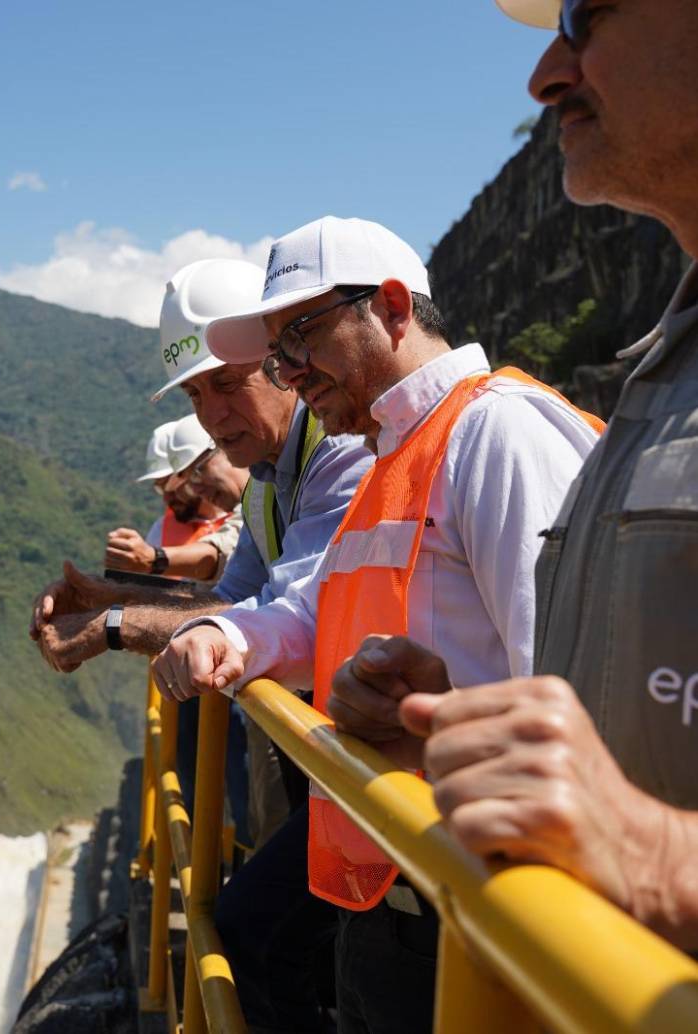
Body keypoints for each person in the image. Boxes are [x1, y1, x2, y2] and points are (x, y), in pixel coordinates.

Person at [153, 214, 602, 1032]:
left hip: (474, 901)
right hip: (397, 887)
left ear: (392, 307)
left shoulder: (496, 431)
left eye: (301, 337)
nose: (289, 371)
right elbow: (318, 607)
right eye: (279, 353)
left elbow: (567, 683)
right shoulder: (394, 457)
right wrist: (230, 637)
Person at [337, 0, 698, 956]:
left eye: (594, 11)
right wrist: (455, 734)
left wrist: (659, 856)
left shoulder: (502, 426)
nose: (547, 71)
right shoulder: (662, 375)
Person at [31, 256, 373, 1028]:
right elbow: (228, 600)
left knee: (258, 942)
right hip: (328, 763)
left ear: (286, 364)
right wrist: (107, 595)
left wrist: (114, 626)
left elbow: (288, 615)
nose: (212, 416)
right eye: (195, 393)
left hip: (367, 771)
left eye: (227, 383)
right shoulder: (269, 484)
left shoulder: (343, 458)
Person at [107, 414, 243, 583]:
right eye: (160, 488)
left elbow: (220, 556)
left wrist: (154, 559)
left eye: (196, 473)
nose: (168, 497)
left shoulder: (256, 505)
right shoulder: (162, 529)